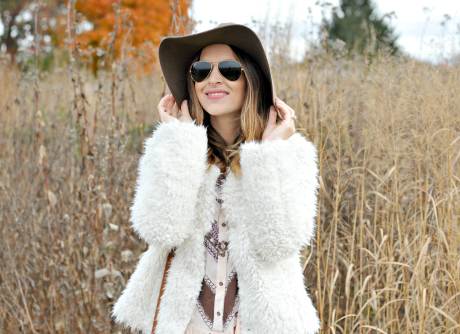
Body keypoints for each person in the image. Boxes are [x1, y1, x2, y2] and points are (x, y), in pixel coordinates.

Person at [112, 23, 320, 334]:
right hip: (185, 325)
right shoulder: (176, 150)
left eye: (229, 69)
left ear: (251, 79)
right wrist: (180, 141)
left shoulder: (289, 154)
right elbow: (158, 228)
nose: (213, 79)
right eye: (201, 70)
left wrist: (269, 153)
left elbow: (280, 241)